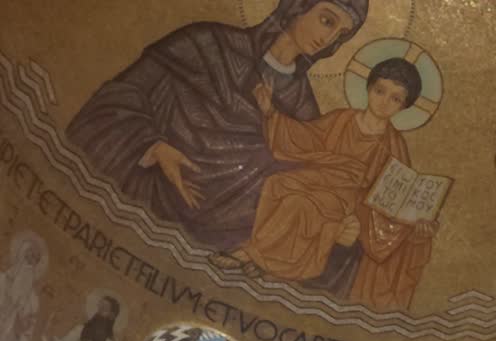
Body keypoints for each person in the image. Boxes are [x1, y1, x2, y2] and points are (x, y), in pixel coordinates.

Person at [65, 0, 367, 252]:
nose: (328, 40)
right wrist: (152, 145)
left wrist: (330, 226)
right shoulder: (206, 42)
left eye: (341, 35)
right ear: (298, 6)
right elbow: (121, 96)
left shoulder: (304, 109)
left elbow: (297, 194)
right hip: (144, 200)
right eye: (327, 20)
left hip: (222, 239)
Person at [212, 58, 437, 309]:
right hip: (318, 177)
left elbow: (396, 196)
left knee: (304, 204)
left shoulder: (393, 146)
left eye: (395, 98)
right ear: (369, 88)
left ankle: (254, 255)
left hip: (349, 197)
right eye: (380, 91)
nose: (384, 102)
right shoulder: (342, 119)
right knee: (278, 183)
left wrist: (415, 223)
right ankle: (273, 265)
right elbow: (306, 138)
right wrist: (270, 112)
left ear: (403, 106)